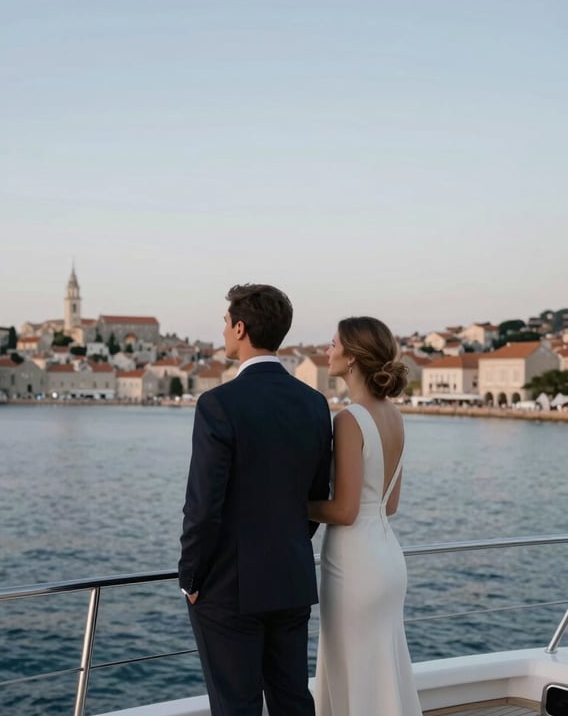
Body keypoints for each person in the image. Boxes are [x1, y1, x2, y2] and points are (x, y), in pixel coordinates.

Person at [179, 283, 332, 716]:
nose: (223, 331)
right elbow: (315, 498)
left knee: (236, 706)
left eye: (226, 322)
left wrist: (191, 577)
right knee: (292, 702)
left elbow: (203, 507)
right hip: (291, 577)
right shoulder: (314, 403)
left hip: (228, 586)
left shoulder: (218, 404)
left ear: (241, 328)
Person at [308, 316, 422, 716]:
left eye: (333, 344)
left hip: (355, 565)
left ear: (353, 357)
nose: (327, 351)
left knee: (351, 673)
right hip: (388, 558)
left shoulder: (349, 419)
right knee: (380, 672)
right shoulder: (395, 415)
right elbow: (389, 505)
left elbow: (344, 510)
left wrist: (290, 504)